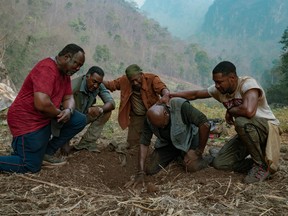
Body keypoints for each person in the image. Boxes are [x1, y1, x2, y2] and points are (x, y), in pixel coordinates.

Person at [170, 61, 281, 184]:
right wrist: (170, 95)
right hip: (249, 134)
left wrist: (231, 110)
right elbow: (195, 94)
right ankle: (265, 164)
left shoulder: (248, 84)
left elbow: (249, 111)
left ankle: (261, 166)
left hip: (267, 130)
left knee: (241, 122)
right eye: (215, 82)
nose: (216, 85)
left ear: (232, 78)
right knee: (220, 163)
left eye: (219, 82)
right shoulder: (220, 90)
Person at [0, 44, 87, 173]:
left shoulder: (65, 74)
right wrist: (60, 114)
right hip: (27, 120)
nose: (78, 68)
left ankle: (46, 152)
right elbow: (41, 104)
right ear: (67, 57)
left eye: (80, 66)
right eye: (76, 63)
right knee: (30, 166)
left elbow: (69, 97)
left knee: (79, 120)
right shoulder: (46, 69)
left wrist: (68, 110)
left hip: (45, 118)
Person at [126, 97, 210, 187]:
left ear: (166, 113)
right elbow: (144, 143)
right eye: (158, 127)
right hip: (169, 143)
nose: (162, 128)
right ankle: (179, 154)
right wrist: (140, 172)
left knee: (192, 167)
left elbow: (205, 124)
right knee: (150, 169)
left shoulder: (180, 106)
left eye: (163, 125)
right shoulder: (149, 119)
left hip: (189, 139)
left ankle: (210, 158)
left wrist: (198, 151)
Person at [103, 64, 170, 149]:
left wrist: (166, 95)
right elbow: (111, 85)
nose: (135, 83)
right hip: (137, 116)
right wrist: (99, 80)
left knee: (165, 136)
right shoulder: (124, 80)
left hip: (153, 114)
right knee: (132, 144)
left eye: (136, 79)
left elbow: (162, 88)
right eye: (132, 81)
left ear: (141, 74)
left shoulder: (152, 79)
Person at [61, 66, 115, 154]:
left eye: (98, 83)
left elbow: (111, 103)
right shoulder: (73, 87)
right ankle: (63, 138)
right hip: (69, 118)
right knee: (65, 150)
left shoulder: (98, 85)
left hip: (84, 115)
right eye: (94, 82)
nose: (96, 85)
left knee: (106, 111)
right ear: (87, 77)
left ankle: (86, 143)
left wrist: (100, 109)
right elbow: (61, 110)